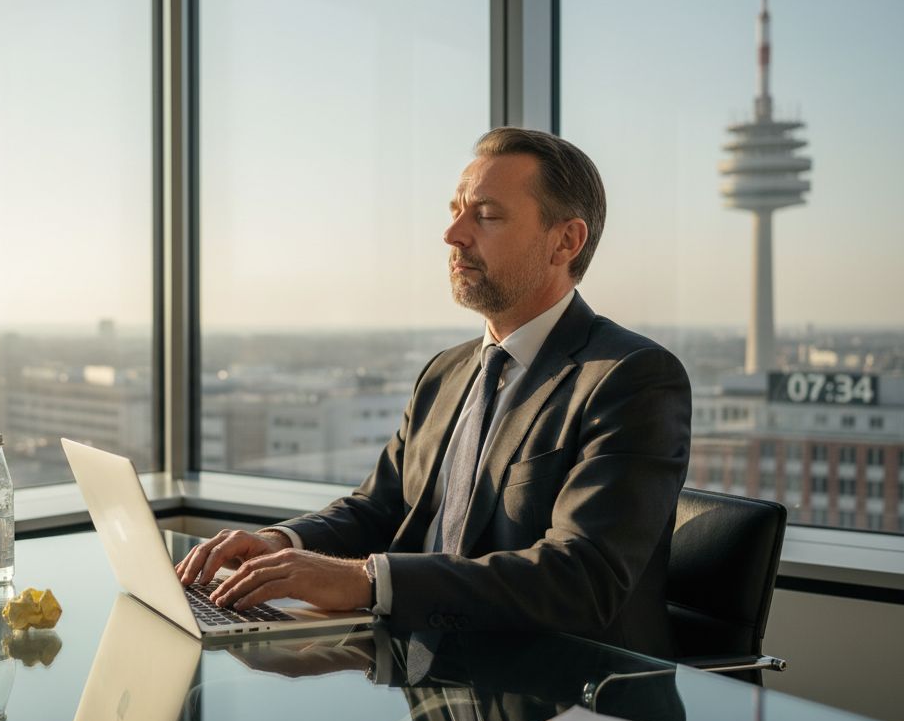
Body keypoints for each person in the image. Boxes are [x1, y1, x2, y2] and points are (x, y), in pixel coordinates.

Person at [176, 127, 691, 658]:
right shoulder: (445, 372)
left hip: (559, 686)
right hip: (417, 672)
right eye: (455, 212)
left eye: (485, 215)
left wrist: (367, 581)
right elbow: (380, 507)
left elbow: (581, 578)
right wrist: (282, 543)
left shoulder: (630, 377)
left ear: (565, 241)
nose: (452, 234)